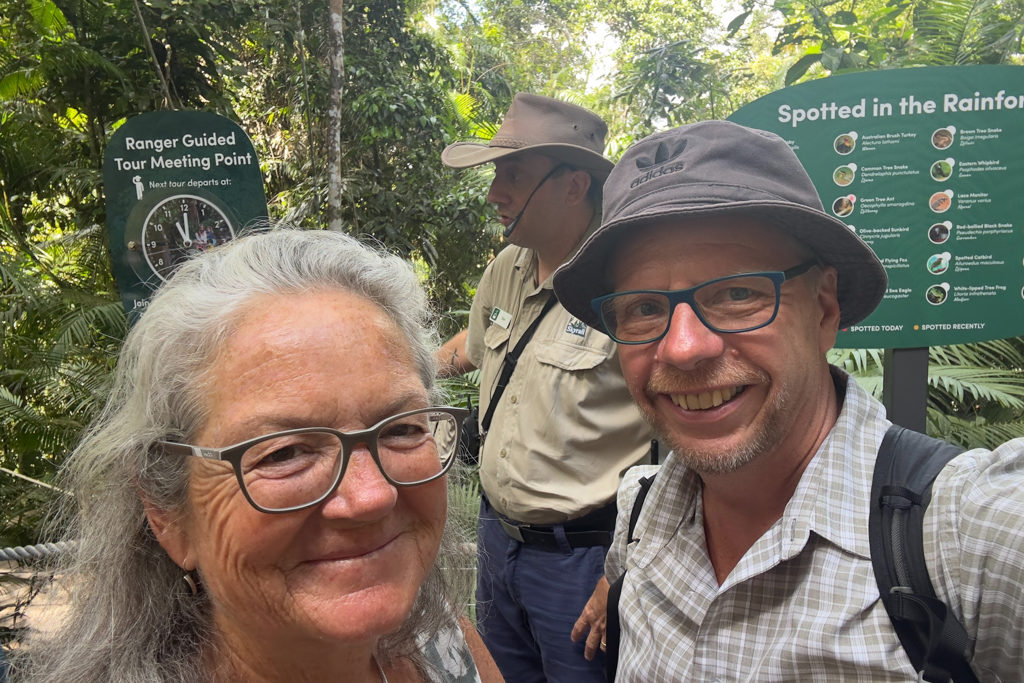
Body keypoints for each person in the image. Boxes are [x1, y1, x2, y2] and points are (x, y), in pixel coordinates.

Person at [552, 120, 1024, 680]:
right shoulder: (641, 510)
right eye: (645, 309)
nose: (682, 349)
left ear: (823, 309)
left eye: (736, 293)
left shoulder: (963, 537)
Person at [11, 229, 502, 683]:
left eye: (401, 429)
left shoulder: (440, 643)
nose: (371, 496)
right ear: (166, 514)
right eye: (285, 452)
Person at [438, 93, 653, 682]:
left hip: (583, 559)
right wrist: (405, 369)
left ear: (573, 185)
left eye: (514, 174)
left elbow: (681, 449)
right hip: (498, 541)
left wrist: (622, 571)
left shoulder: (630, 285)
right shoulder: (507, 266)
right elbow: (474, 345)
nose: (494, 192)